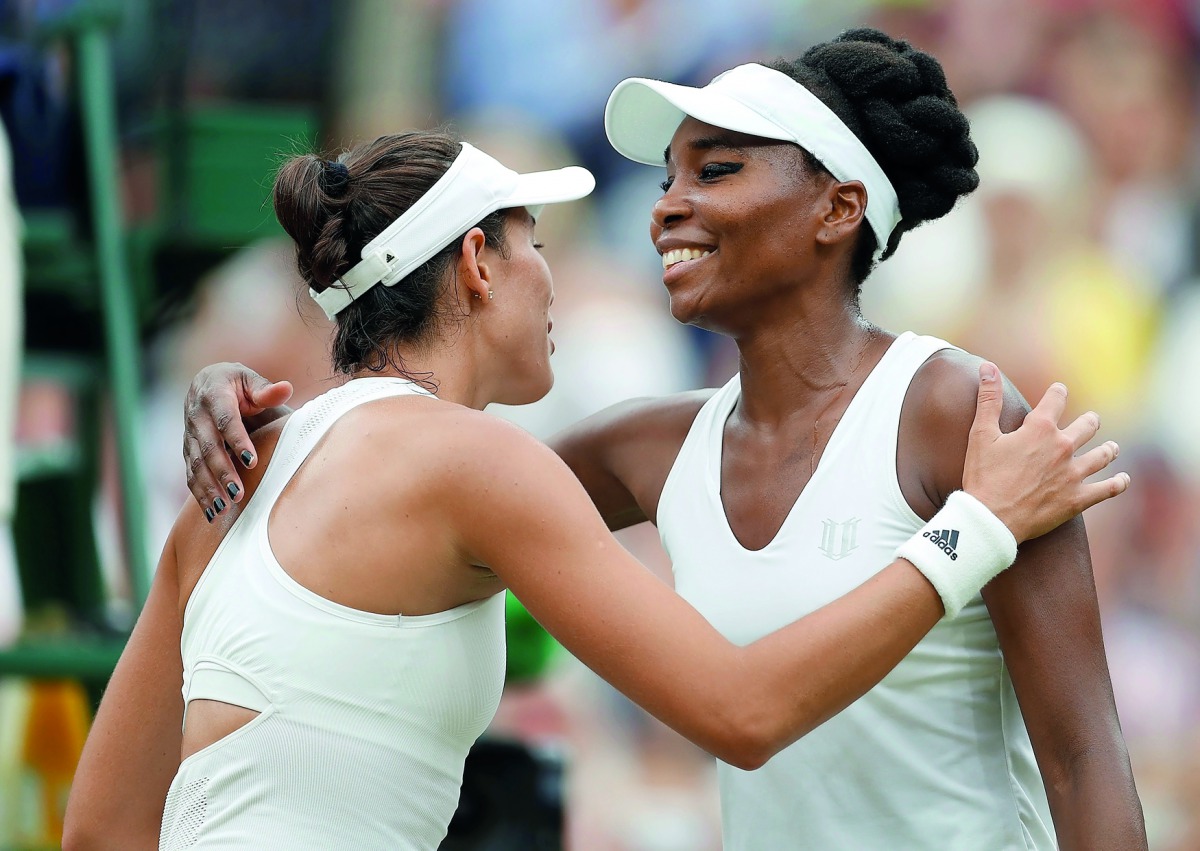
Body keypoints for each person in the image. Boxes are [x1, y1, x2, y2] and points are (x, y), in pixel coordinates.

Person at [170, 29, 1142, 849]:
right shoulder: (649, 446)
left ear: (840, 207)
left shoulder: (959, 412)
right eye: (667, 176)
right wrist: (259, 411)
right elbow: (405, 487)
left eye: (716, 170)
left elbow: (1084, 752)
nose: (668, 204)